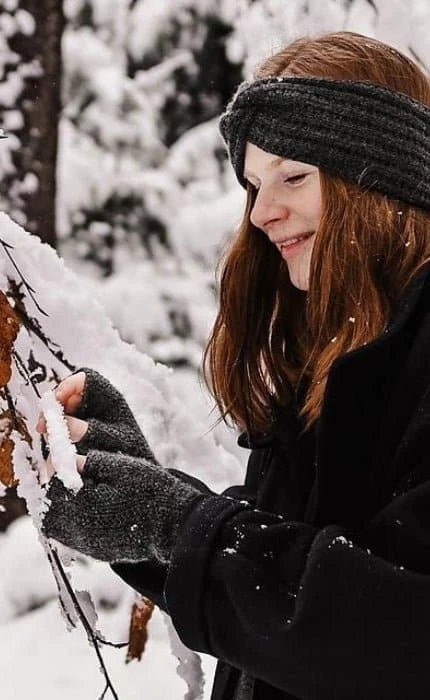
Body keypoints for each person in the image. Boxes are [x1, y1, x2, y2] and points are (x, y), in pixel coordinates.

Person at [38, 31, 430, 700]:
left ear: (379, 175)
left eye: (293, 177)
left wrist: (179, 525)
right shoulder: (339, 354)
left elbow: (399, 633)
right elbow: (298, 600)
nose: (262, 212)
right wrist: (153, 512)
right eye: (253, 184)